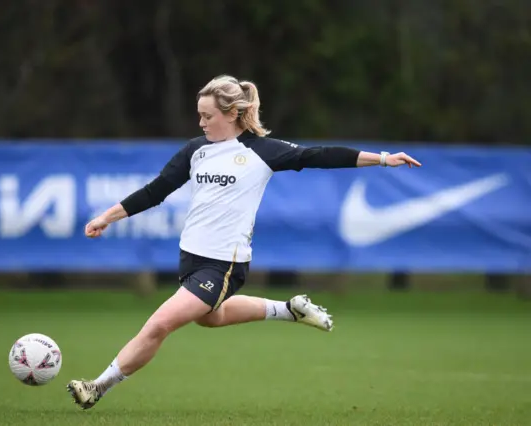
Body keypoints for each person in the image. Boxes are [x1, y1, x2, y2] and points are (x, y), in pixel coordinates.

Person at [67, 75, 421, 409]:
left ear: (232, 114)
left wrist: (383, 159)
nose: (202, 123)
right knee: (210, 318)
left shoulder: (262, 151)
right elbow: (155, 191)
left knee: (160, 324)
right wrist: (105, 217)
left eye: (207, 116)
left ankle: (97, 387)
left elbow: (319, 155)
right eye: (199, 116)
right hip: (190, 258)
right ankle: (289, 310)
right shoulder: (196, 150)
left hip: (224, 263)